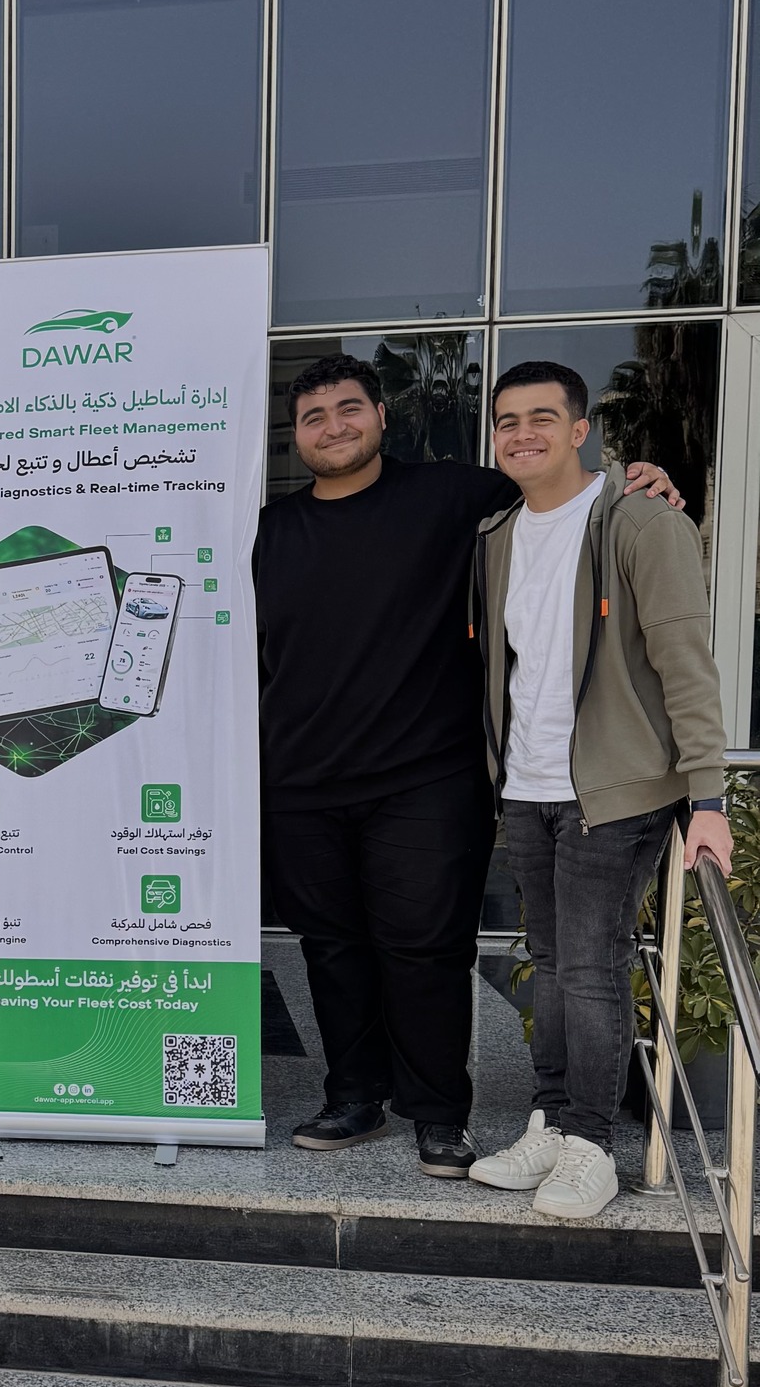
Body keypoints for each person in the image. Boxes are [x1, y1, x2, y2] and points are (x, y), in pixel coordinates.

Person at [255, 356, 678, 1178]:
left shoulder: (456, 497)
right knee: (331, 949)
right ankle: (354, 1098)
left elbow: (559, 485)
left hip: (426, 778)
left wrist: (638, 478)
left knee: (425, 952)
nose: (333, 427)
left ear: (382, 417)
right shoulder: (270, 532)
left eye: (349, 409)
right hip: (301, 782)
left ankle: (439, 1115)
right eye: (314, 417)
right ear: (297, 436)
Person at [469, 361, 730, 1220]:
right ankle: (551, 1122)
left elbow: (685, 662)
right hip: (527, 787)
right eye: (507, 421)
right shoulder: (497, 534)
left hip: (613, 793)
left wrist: (708, 800)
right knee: (549, 965)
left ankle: (592, 1147)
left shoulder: (641, 521)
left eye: (542, 418)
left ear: (581, 430)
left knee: (590, 969)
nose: (523, 434)